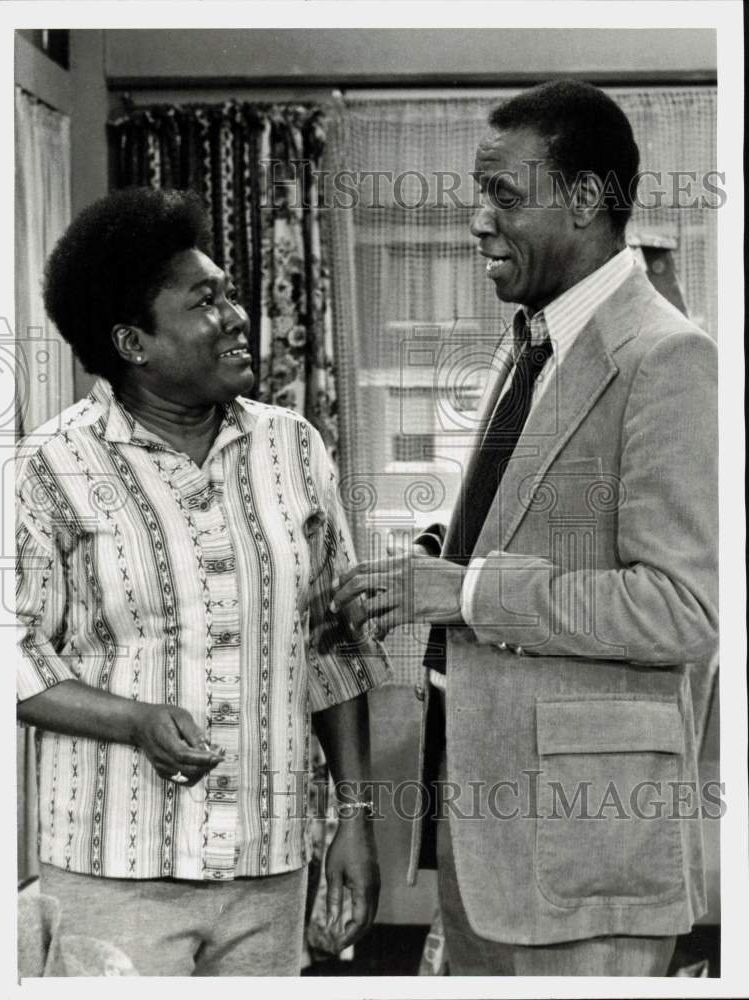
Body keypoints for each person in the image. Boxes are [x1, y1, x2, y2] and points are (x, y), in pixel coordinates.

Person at [333, 80, 718, 976]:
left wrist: (465, 591)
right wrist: (431, 563)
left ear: (585, 199)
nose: (476, 221)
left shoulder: (669, 359)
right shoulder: (532, 339)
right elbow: (535, 522)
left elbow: (682, 608)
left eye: (503, 196)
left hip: (586, 859)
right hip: (491, 844)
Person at [16, 187, 389, 977]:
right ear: (133, 342)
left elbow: (335, 650)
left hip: (270, 861)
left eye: (229, 293)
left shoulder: (293, 449)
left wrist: (354, 822)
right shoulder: (48, 468)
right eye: (205, 301)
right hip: (111, 867)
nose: (235, 315)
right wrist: (134, 721)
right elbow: (8, 659)